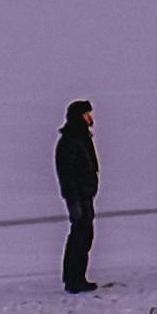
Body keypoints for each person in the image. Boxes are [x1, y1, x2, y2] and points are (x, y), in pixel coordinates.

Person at [53, 98, 104, 293]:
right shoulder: (70, 141)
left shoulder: (82, 138)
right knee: (79, 236)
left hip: (86, 195)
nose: (90, 117)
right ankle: (73, 280)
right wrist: (73, 201)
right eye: (86, 114)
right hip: (78, 197)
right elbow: (66, 174)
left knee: (85, 236)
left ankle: (78, 277)